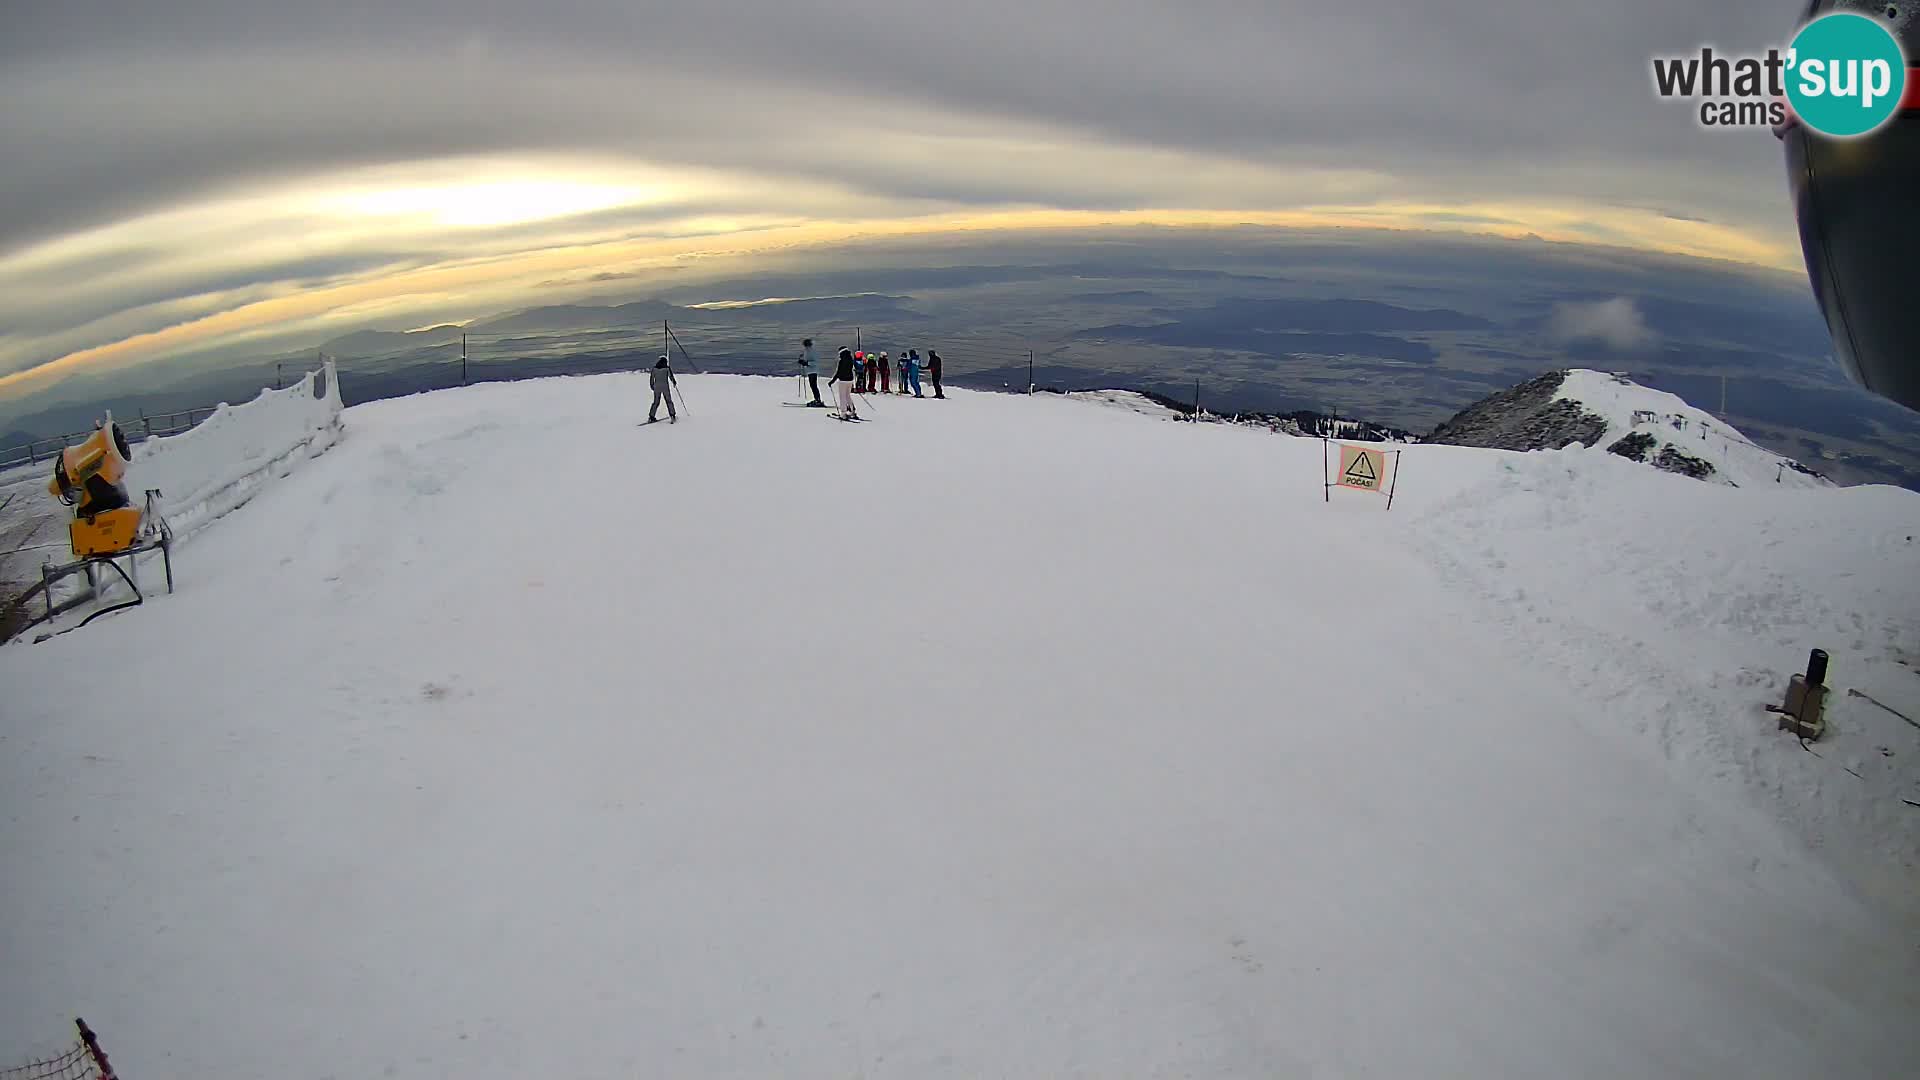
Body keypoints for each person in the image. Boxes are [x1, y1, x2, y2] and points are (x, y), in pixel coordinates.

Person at [832, 347, 860, 420]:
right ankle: (852, 411)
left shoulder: (842, 360)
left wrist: (832, 381)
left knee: (842, 397)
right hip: (850, 380)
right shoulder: (851, 359)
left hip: (843, 381)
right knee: (848, 396)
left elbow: (839, 372)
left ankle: (843, 414)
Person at [648, 356, 677, 423]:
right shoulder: (667, 368)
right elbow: (671, 376)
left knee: (656, 402)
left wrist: (652, 386)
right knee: (668, 401)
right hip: (665, 387)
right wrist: (674, 382)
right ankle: (672, 415)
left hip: (656, 387)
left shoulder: (654, 369)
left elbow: (652, 378)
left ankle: (651, 416)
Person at [796, 337, 824, 406]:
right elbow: (807, 359)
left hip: (813, 371)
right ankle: (817, 399)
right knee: (813, 386)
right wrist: (802, 360)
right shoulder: (807, 351)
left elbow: (815, 362)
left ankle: (818, 400)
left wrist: (806, 363)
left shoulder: (811, 351)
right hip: (810, 371)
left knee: (813, 385)